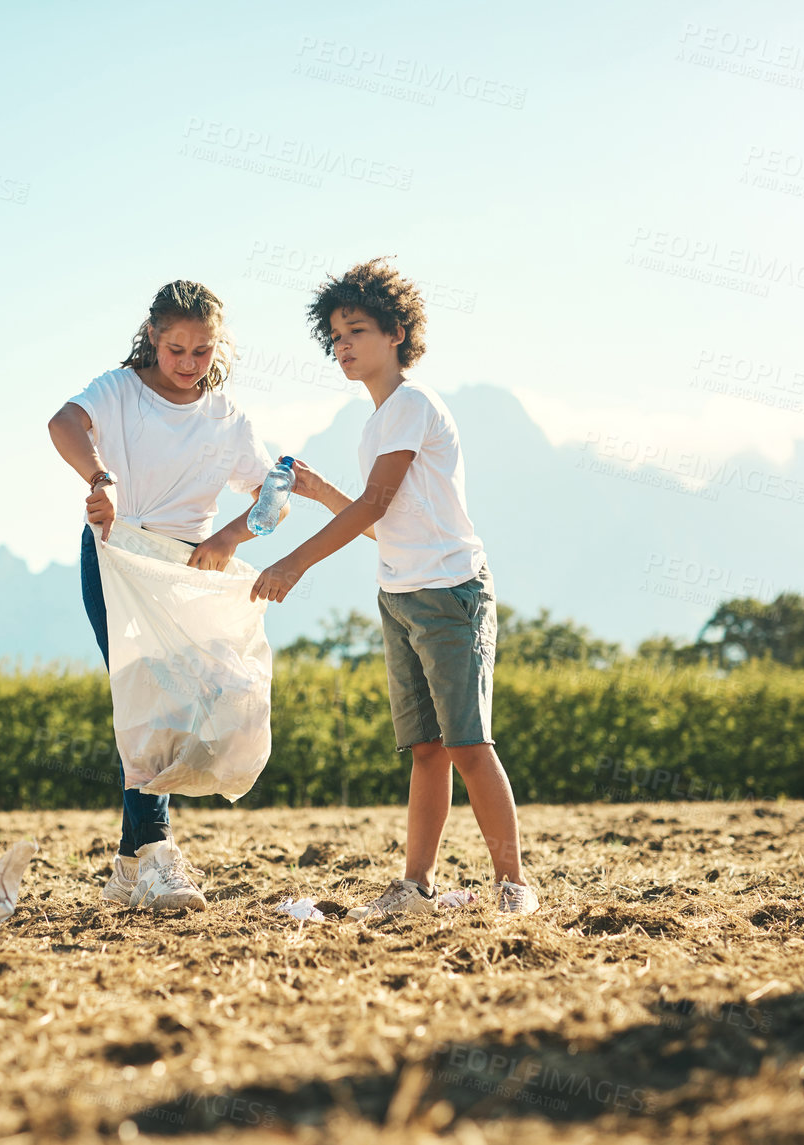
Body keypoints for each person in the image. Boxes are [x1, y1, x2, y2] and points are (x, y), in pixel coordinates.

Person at [252, 257, 539, 919]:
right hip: (400, 594)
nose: (342, 346)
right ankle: (414, 885)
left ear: (397, 333)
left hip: (450, 591)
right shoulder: (378, 422)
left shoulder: (411, 404)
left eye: (355, 330)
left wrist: (294, 562)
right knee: (426, 749)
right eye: (334, 336)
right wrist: (323, 493)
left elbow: (376, 504)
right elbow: (385, 524)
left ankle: (512, 884)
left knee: (467, 744)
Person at [47, 280, 278, 911]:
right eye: (176, 348)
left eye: (202, 352)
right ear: (153, 336)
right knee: (154, 704)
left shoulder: (225, 415)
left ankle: (128, 864)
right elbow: (63, 421)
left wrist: (230, 537)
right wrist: (101, 477)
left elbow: (270, 494)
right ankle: (157, 851)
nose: (188, 363)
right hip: (119, 560)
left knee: (212, 695)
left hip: (188, 572)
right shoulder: (120, 391)